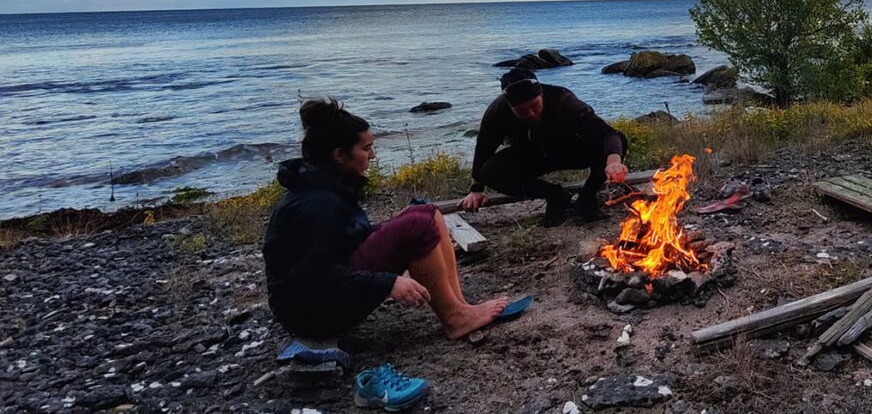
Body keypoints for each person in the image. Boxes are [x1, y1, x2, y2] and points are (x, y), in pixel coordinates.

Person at [262, 98, 510, 350]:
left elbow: (342, 244)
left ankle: (459, 307)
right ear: (339, 155)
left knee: (427, 212)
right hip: (312, 316)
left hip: (317, 303)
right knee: (418, 224)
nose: (372, 155)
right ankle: (455, 319)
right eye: (366, 148)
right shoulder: (317, 204)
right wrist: (388, 282)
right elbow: (312, 276)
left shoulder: (324, 187)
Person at [458, 68, 628, 226]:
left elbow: (607, 133)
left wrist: (613, 162)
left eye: (534, 105)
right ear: (510, 107)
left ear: (541, 95)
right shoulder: (497, 112)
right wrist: (476, 189)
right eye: (522, 111)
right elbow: (484, 148)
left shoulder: (563, 101)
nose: (531, 113)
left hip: (572, 149)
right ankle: (555, 196)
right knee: (490, 171)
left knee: (618, 142)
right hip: (533, 156)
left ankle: (587, 197)